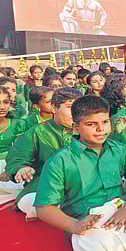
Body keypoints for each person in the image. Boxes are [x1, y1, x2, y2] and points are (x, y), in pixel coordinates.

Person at [34, 95, 126, 250]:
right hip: (88, 220)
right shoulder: (60, 161)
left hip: (122, 206)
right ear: (76, 127)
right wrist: (76, 225)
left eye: (105, 122)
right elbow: (44, 208)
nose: (101, 129)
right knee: (102, 241)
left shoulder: (119, 149)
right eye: (91, 124)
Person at [6, 88, 83, 219]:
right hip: (44, 186)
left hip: (83, 185)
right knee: (29, 201)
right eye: (70, 107)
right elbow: (17, 156)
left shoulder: (88, 129)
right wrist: (21, 168)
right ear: (54, 108)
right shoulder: (39, 131)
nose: (76, 113)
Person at [0, 86, 26, 199]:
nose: (2, 107)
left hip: (9, 166)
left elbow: (21, 152)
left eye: (6, 102)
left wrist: (9, 170)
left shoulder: (18, 124)